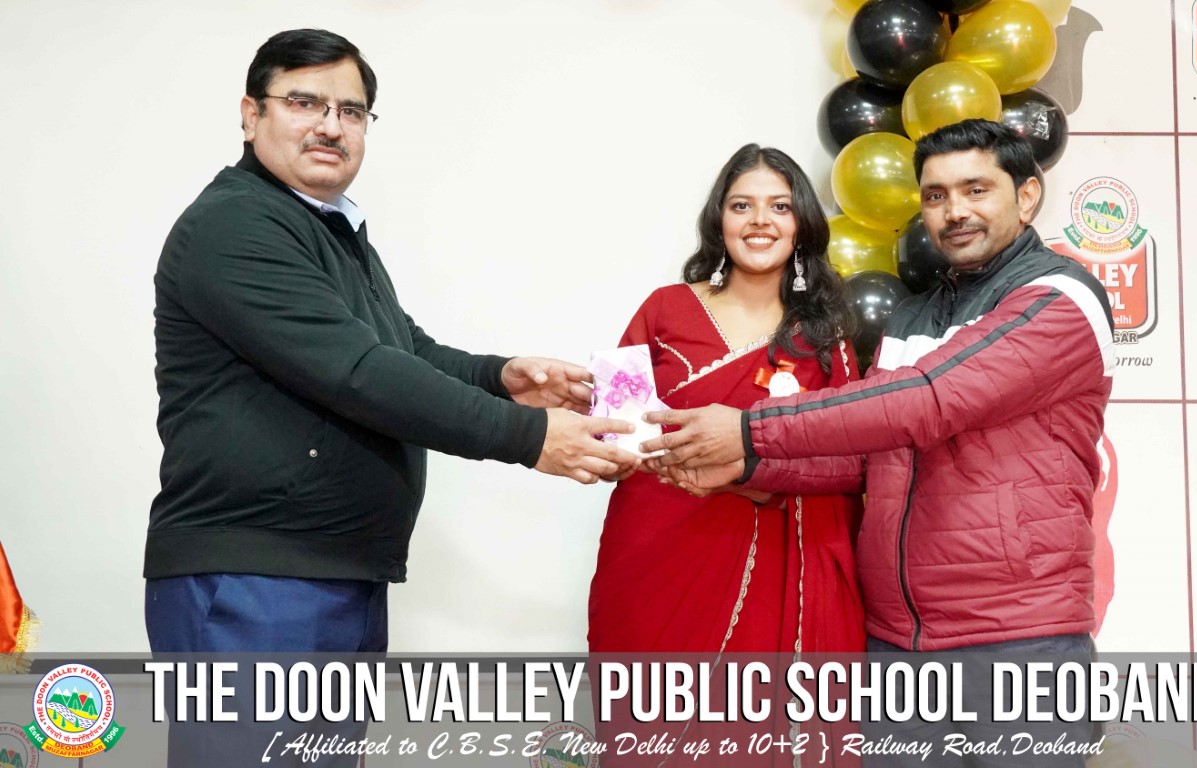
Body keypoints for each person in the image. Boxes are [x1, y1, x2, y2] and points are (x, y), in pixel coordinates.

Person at [146, 28, 638, 656]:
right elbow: (358, 371)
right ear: (251, 115)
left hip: (333, 571)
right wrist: (530, 437)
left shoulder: (325, 225)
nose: (330, 126)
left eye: (351, 111)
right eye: (304, 103)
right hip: (255, 578)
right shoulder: (236, 223)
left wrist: (500, 377)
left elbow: (405, 350)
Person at [640, 120, 1116, 766]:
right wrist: (745, 465)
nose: (955, 211)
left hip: (1018, 643)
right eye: (936, 195)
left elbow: (927, 399)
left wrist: (746, 428)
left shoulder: (1058, 298)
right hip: (896, 647)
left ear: (1026, 196)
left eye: (976, 189)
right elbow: (866, 458)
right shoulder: (911, 316)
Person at [587, 145, 865, 766]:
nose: (760, 221)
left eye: (779, 207)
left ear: (802, 223)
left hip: (778, 558)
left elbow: (851, 463)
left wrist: (750, 473)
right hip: (655, 556)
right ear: (720, 219)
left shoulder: (824, 336)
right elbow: (611, 433)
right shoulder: (663, 309)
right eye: (742, 206)